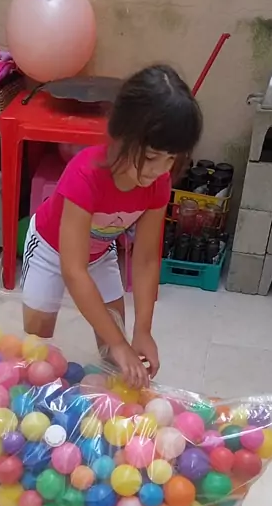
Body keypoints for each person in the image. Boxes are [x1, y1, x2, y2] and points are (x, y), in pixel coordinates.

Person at [21, 64, 203, 387]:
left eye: (171, 159)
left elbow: (145, 259)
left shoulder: (158, 183)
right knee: (37, 346)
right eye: (151, 156)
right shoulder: (85, 176)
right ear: (122, 135)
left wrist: (142, 331)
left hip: (100, 252)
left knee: (112, 344)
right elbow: (73, 270)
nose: (159, 170)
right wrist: (120, 344)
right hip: (50, 248)